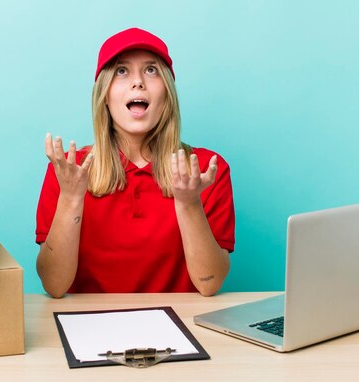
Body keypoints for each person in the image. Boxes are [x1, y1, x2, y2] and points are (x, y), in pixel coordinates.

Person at [35, 27, 235, 298]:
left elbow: (209, 283)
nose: (138, 82)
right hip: (90, 329)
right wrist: (71, 198)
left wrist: (189, 203)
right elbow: (54, 286)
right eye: (121, 71)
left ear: (168, 94)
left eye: (151, 70)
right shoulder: (70, 172)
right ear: (104, 95)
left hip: (178, 330)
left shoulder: (205, 170)